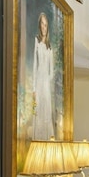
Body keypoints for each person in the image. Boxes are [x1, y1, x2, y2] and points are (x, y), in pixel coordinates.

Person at [32, 12, 54, 140]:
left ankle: (46, 140)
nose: (44, 28)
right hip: (39, 81)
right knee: (38, 110)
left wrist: (47, 81)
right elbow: (35, 65)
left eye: (46, 25)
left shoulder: (50, 47)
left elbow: (51, 70)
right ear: (40, 26)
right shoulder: (37, 41)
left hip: (46, 83)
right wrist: (34, 88)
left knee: (46, 112)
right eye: (42, 24)